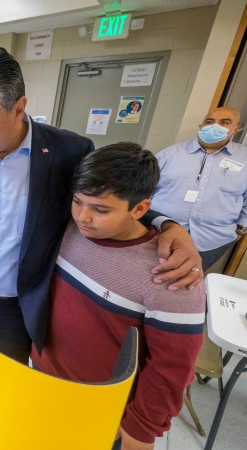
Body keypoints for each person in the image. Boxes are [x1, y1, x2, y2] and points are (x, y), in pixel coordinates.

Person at [0, 47, 202, 364]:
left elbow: (109, 198)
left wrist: (167, 225)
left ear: (18, 108)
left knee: (10, 384)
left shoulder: (69, 151)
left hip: (22, 305)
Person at [31, 143, 204, 450]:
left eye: (100, 210)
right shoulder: (68, 230)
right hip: (43, 383)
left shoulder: (171, 275)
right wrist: (168, 222)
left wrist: (141, 431)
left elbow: (171, 368)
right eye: (78, 201)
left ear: (139, 209)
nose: (83, 217)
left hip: (102, 409)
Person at [152, 106, 247, 271]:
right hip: (159, 233)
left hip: (213, 241)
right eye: (210, 121)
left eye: (225, 122)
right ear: (201, 125)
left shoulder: (244, 159)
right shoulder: (169, 154)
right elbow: (144, 189)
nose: (215, 126)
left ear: (236, 129)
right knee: (151, 276)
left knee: (189, 285)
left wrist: (240, 230)